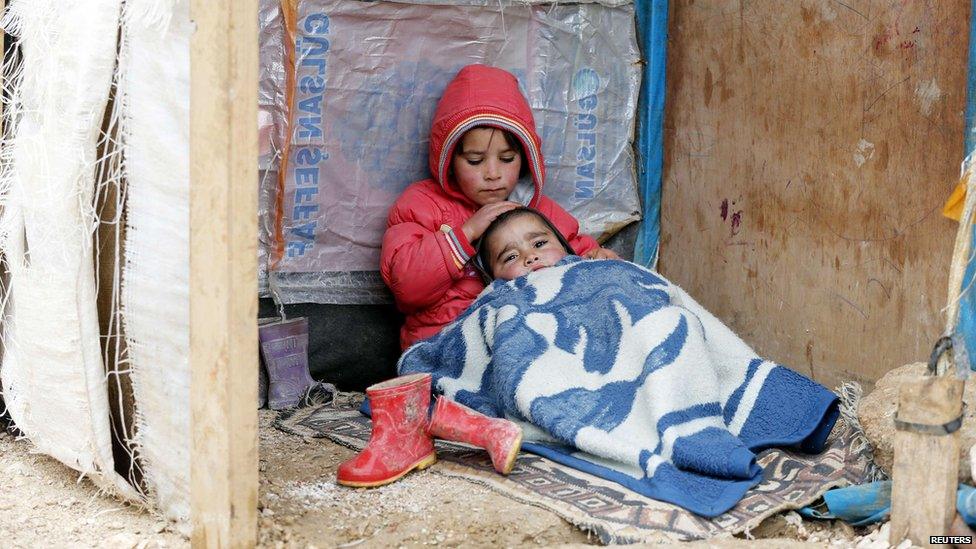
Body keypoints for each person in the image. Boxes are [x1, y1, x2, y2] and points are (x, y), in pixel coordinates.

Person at [380, 64, 618, 350]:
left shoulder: (538, 209)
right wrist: (463, 234)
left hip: (528, 340)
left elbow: (574, 254)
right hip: (448, 343)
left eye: (506, 159)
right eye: (475, 161)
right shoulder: (421, 205)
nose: (492, 173)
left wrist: (599, 259)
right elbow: (407, 287)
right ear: (449, 159)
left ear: (526, 157)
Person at [474, 207, 575, 282]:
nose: (530, 257)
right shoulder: (493, 306)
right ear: (492, 279)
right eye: (511, 257)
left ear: (564, 246)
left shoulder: (586, 268)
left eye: (539, 244)